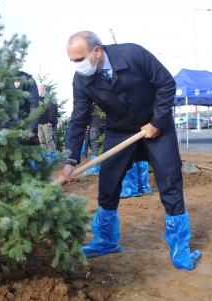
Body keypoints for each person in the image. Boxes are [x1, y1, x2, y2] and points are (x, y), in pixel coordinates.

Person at [58, 31, 200, 270]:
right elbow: (79, 119)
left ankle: (179, 244)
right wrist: (70, 161)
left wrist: (156, 122)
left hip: (157, 124)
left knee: (170, 179)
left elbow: (166, 84)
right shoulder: (81, 80)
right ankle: (105, 240)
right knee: (109, 180)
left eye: (79, 59)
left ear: (96, 51)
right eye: (72, 60)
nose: (77, 65)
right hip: (120, 129)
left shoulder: (133, 54)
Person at [36, 84, 56, 152]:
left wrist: (50, 121)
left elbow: (52, 110)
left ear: (42, 90)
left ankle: (53, 155)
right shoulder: (38, 99)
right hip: (39, 123)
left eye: (38, 90)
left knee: (49, 140)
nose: (37, 91)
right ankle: (45, 155)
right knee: (42, 140)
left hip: (46, 123)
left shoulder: (49, 98)